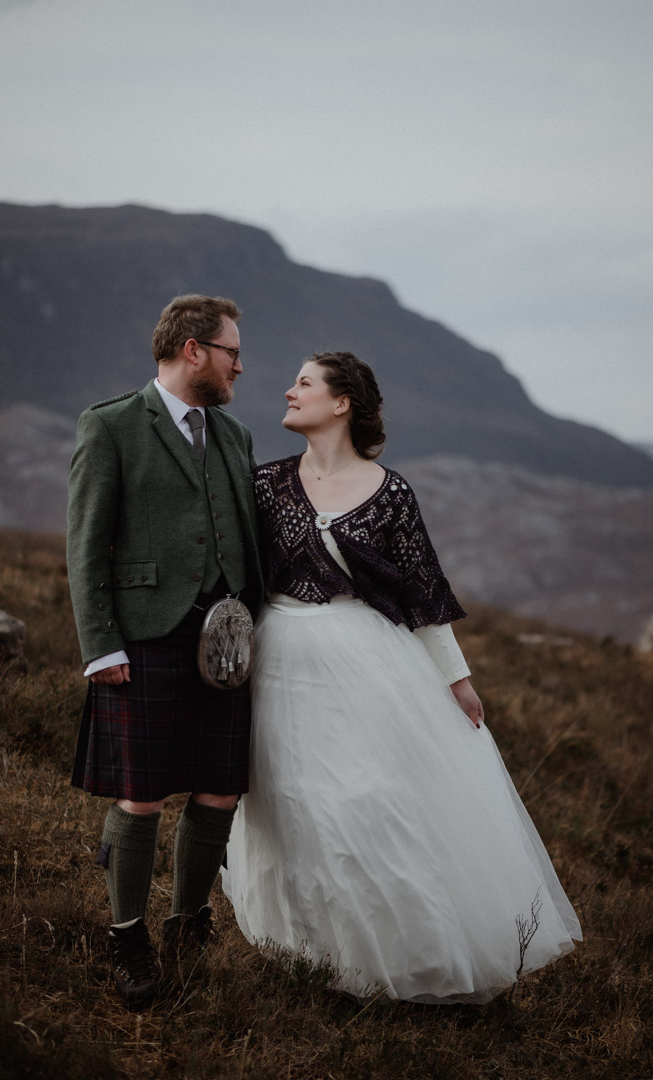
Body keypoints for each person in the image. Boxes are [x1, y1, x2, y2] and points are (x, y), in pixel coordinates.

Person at [222, 350, 581, 1004]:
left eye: (303, 383)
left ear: (341, 404)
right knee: (293, 806)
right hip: (278, 663)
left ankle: (403, 959)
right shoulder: (265, 482)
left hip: (366, 663)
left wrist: (457, 679)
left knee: (368, 801)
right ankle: (313, 959)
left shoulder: (391, 494)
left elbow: (423, 595)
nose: (287, 390)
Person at [67, 294, 263, 1008]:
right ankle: (128, 937)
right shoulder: (112, 424)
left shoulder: (235, 436)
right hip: (144, 634)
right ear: (192, 351)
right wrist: (100, 647)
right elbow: (85, 543)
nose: (240, 364)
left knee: (219, 787)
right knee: (141, 794)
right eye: (230, 351)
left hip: (225, 639)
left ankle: (187, 920)